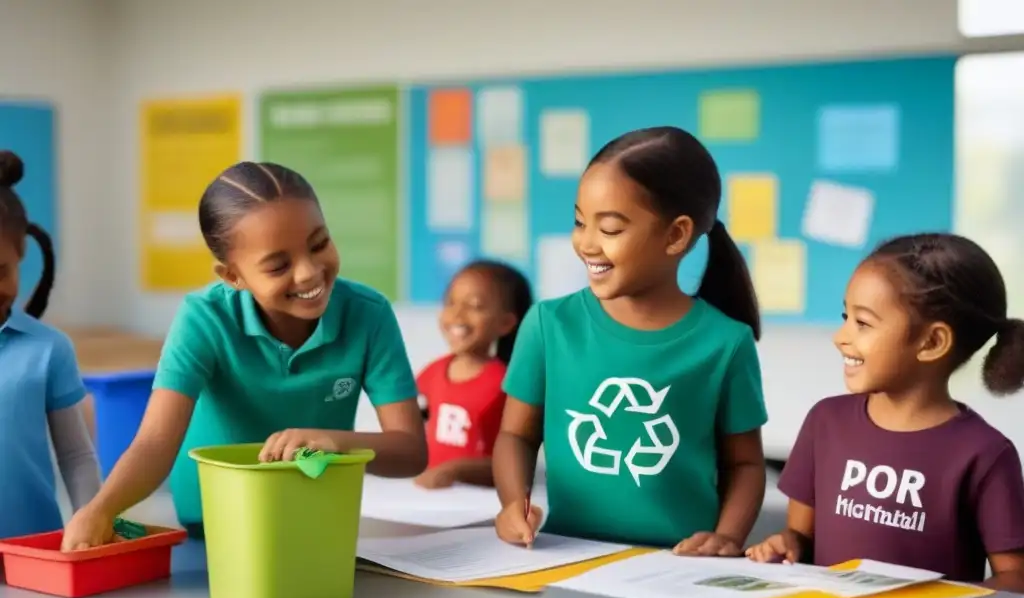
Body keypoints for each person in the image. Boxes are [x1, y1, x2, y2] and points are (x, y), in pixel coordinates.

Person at [61, 161, 427, 550]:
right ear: (232, 277)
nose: (308, 273)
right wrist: (100, 510)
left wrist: (335, 442)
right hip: (212, 523)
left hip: (317, 517)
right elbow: (154, 442)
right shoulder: (204, 318)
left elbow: (410, 451)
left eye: (319, 243)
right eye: (278, 265)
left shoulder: (368, 314)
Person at [493, 126, 767, 553]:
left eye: (611, 229)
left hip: (678, 566)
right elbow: (516, 436)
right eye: (580, 222)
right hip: (565, 556)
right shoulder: (549, 325)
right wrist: (514, 502)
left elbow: (746, 463)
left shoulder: (726, 343)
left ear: (676, 235)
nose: (586, 243)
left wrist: (728, 537)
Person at [747, 234, 1024, 591]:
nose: (840, 337)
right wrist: (787, 544)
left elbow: (1015, 578)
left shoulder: (986, 454)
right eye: (845, 316)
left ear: (932, 342)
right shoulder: (825, 423)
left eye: (862, 323)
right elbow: (800, 535)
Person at [0, 150, 101, 539]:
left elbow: (76, 455)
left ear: (21, 257)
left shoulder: (48, 348)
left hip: (34, 549)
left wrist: (90, 520)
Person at [415, 259, 532, 489]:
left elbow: (516, 462)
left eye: (475, 306)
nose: (457, 315)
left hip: (480, 503)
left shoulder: (508, 384)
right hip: (429, 498)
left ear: (506, 323)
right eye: (451, 302)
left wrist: (455, 470)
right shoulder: (434, 371)